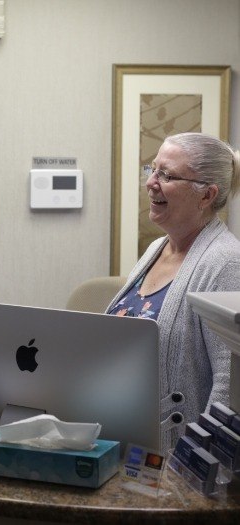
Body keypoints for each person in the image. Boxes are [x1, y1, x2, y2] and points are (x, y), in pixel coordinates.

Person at [106, 132, 240, 453]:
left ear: (206, 195)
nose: (151, 182)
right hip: (123, 445)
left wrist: (193, 463)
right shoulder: (156, 248)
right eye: (152, 170)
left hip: (175, 463)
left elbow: (229, 387)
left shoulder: (226, 262)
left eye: (166, 175)